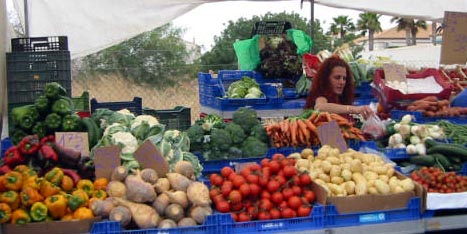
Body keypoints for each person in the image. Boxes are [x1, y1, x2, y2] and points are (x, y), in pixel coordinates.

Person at [304, 55, 374, 120]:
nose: (342, 82)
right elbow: (319, 107)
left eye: (344, 78)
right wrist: (354, 109)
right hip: (324, 131)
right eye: (337, 78)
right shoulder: (320, 94)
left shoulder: (340, 96)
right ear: (326, 78)